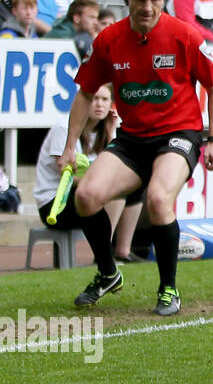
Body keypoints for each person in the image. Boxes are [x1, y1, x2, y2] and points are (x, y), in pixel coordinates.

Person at [63, 0, 213, 316]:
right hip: (133, 139)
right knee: (86, 196)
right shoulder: (108, 40)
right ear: (126, 0)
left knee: (158, 197)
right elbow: (85, 93)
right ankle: (107, 273)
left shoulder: (185, 35)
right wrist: (69, 147)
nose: (148, 7)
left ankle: (168, 289)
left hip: (179, 134)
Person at [36, 83, 143, 264]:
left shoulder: (106, 128)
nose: (99, 104)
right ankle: (103, 256)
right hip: (56, 203)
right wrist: (103, 182)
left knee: (136, 188)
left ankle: (122, 252)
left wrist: (110, 133)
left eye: (104, 99)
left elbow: (118, 166)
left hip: (85, 194)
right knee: (113, 193)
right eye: (94, 99)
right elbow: (68, 178)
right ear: (83, 102)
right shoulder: (64, 128)